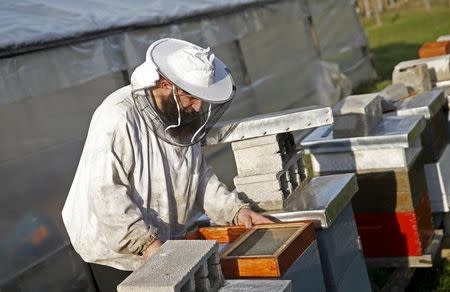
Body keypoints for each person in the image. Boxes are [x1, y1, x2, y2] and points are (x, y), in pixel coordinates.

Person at [61, 38, 272, 291]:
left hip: (164, 243)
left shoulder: (180, 116)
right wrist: (147, 244)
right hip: (115, 256)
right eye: (193, 98)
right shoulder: (117, 116)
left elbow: (198, 175)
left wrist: (235, 211)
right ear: (165, 85)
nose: (198, 107)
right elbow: (107, 192)